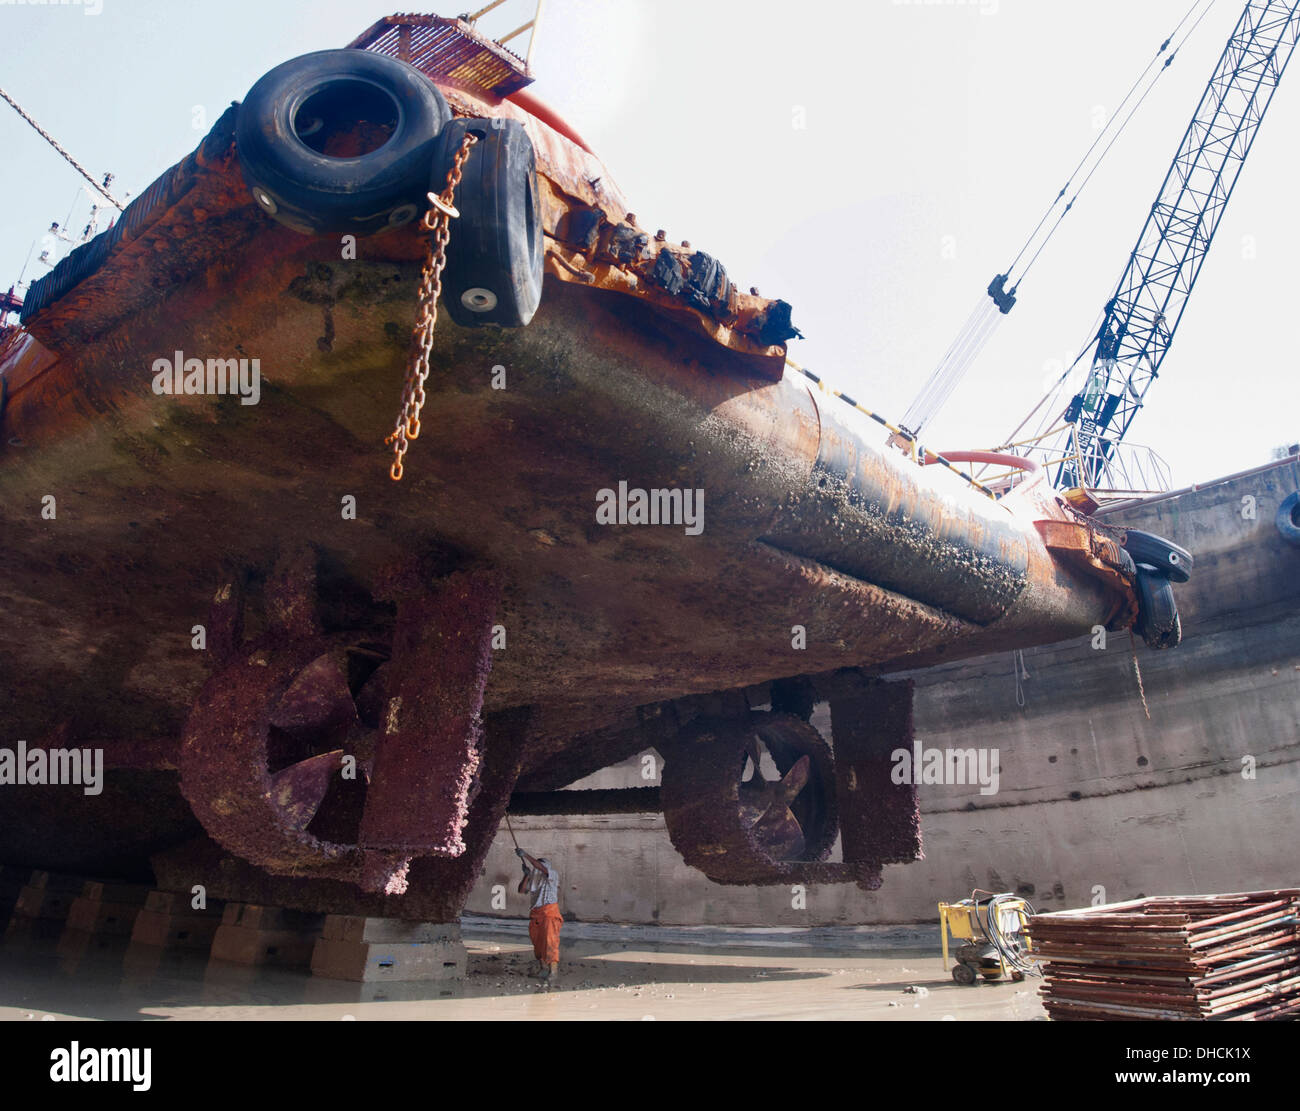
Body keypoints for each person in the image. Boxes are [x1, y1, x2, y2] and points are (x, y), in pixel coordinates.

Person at [516, 848, 562, 986]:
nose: (538, 869)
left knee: (550, 942)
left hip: (549, 914)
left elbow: (540, 866)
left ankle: (553, 972)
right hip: (536, 915)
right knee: (538, 943)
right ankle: (543, 969)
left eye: (540, 866)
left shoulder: (552, 875)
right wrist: (527, 875)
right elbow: (521, 890)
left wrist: (526, 855)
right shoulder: (535, 880)